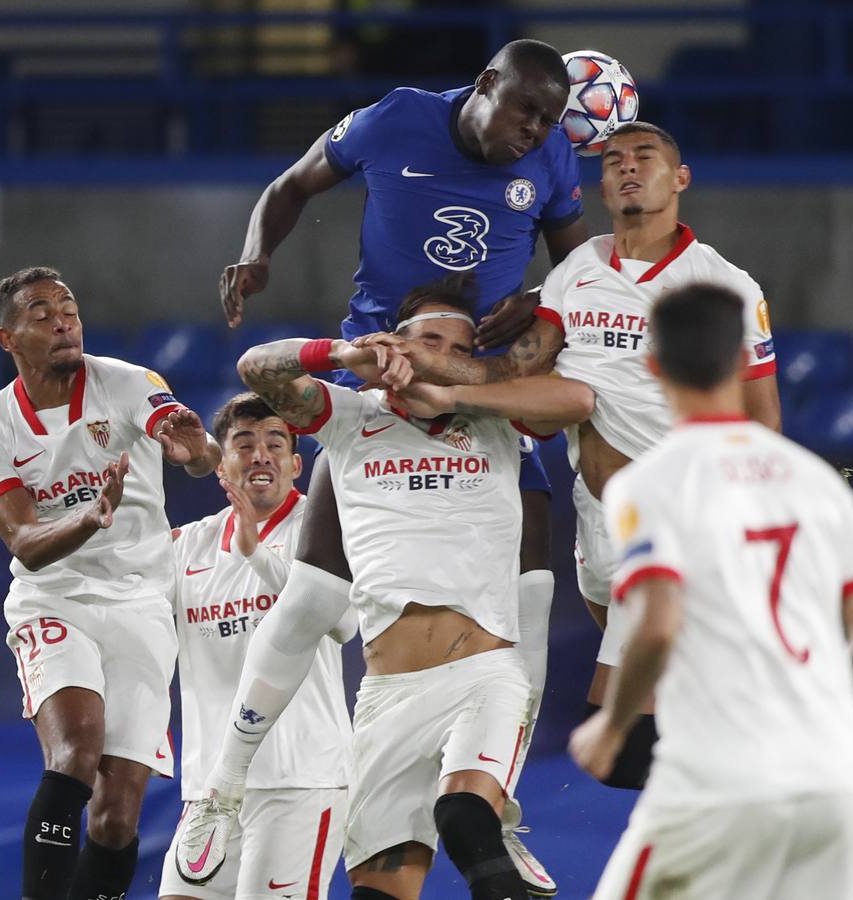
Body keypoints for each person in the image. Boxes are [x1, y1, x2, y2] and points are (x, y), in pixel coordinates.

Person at [211, 41, 589, 889]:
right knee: (310, 594)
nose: (534, 133)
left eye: (548, 121)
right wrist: (258, 251)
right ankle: (222, 785)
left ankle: (497, 802)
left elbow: (578, 270)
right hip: (378, 378)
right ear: (484, 86)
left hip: (480, 387)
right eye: (524, 112)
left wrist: (541, 303)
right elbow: (292, 186)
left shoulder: (552, 155)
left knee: (531, 599)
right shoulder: (396, 118)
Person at [361, 120, 781, 788]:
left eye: (646, 157)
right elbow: (519, 373)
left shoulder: (725, 286)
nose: (627, 168)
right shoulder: (577, 271)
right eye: (613, 160)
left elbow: (764, 421)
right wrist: (437, 370)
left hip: (675, 525)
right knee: (671, 713)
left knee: (625, 743)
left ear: (680, 179)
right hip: (597, 529)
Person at [184, 274, 594, 900]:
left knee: (464, 819)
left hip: (483, 675)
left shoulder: (500, 423)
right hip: (384, 697)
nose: (441, 355)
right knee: (377, 891)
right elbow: (257, 366)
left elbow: (578, 400)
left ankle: (496, 810)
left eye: (459, 349)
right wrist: (343, 356)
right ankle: (224, 786)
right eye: (427, 341)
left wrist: (467, 387)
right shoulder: (349, 418)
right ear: (392, 348)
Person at [566, 282, 853, 897]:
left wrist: (611, 728)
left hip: (714, 779)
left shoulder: (650, 483)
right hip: (830, 782)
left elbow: (658, 623)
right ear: (742, 362)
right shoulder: (818, 481)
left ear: (653, 366)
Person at [0, 266, 221, 900]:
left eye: (68, 309)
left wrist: (197, 450)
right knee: (76, 750)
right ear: (7, 338)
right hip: (55, 599)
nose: (62, 321)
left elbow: (192, 444)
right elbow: (24, 543)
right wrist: (88, 518)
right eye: (42, 313)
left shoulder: (127, 383)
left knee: (117, 811)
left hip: (142, 602)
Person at [159, 392, 358, 900]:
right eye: (243, 444)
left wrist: (255, 556)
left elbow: (344, 623)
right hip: (209, 792)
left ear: (295, 463)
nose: (260, 454)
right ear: (221, 463)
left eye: (275, 442)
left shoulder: (324, 530)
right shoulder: (186, 546)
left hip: (300, 781)